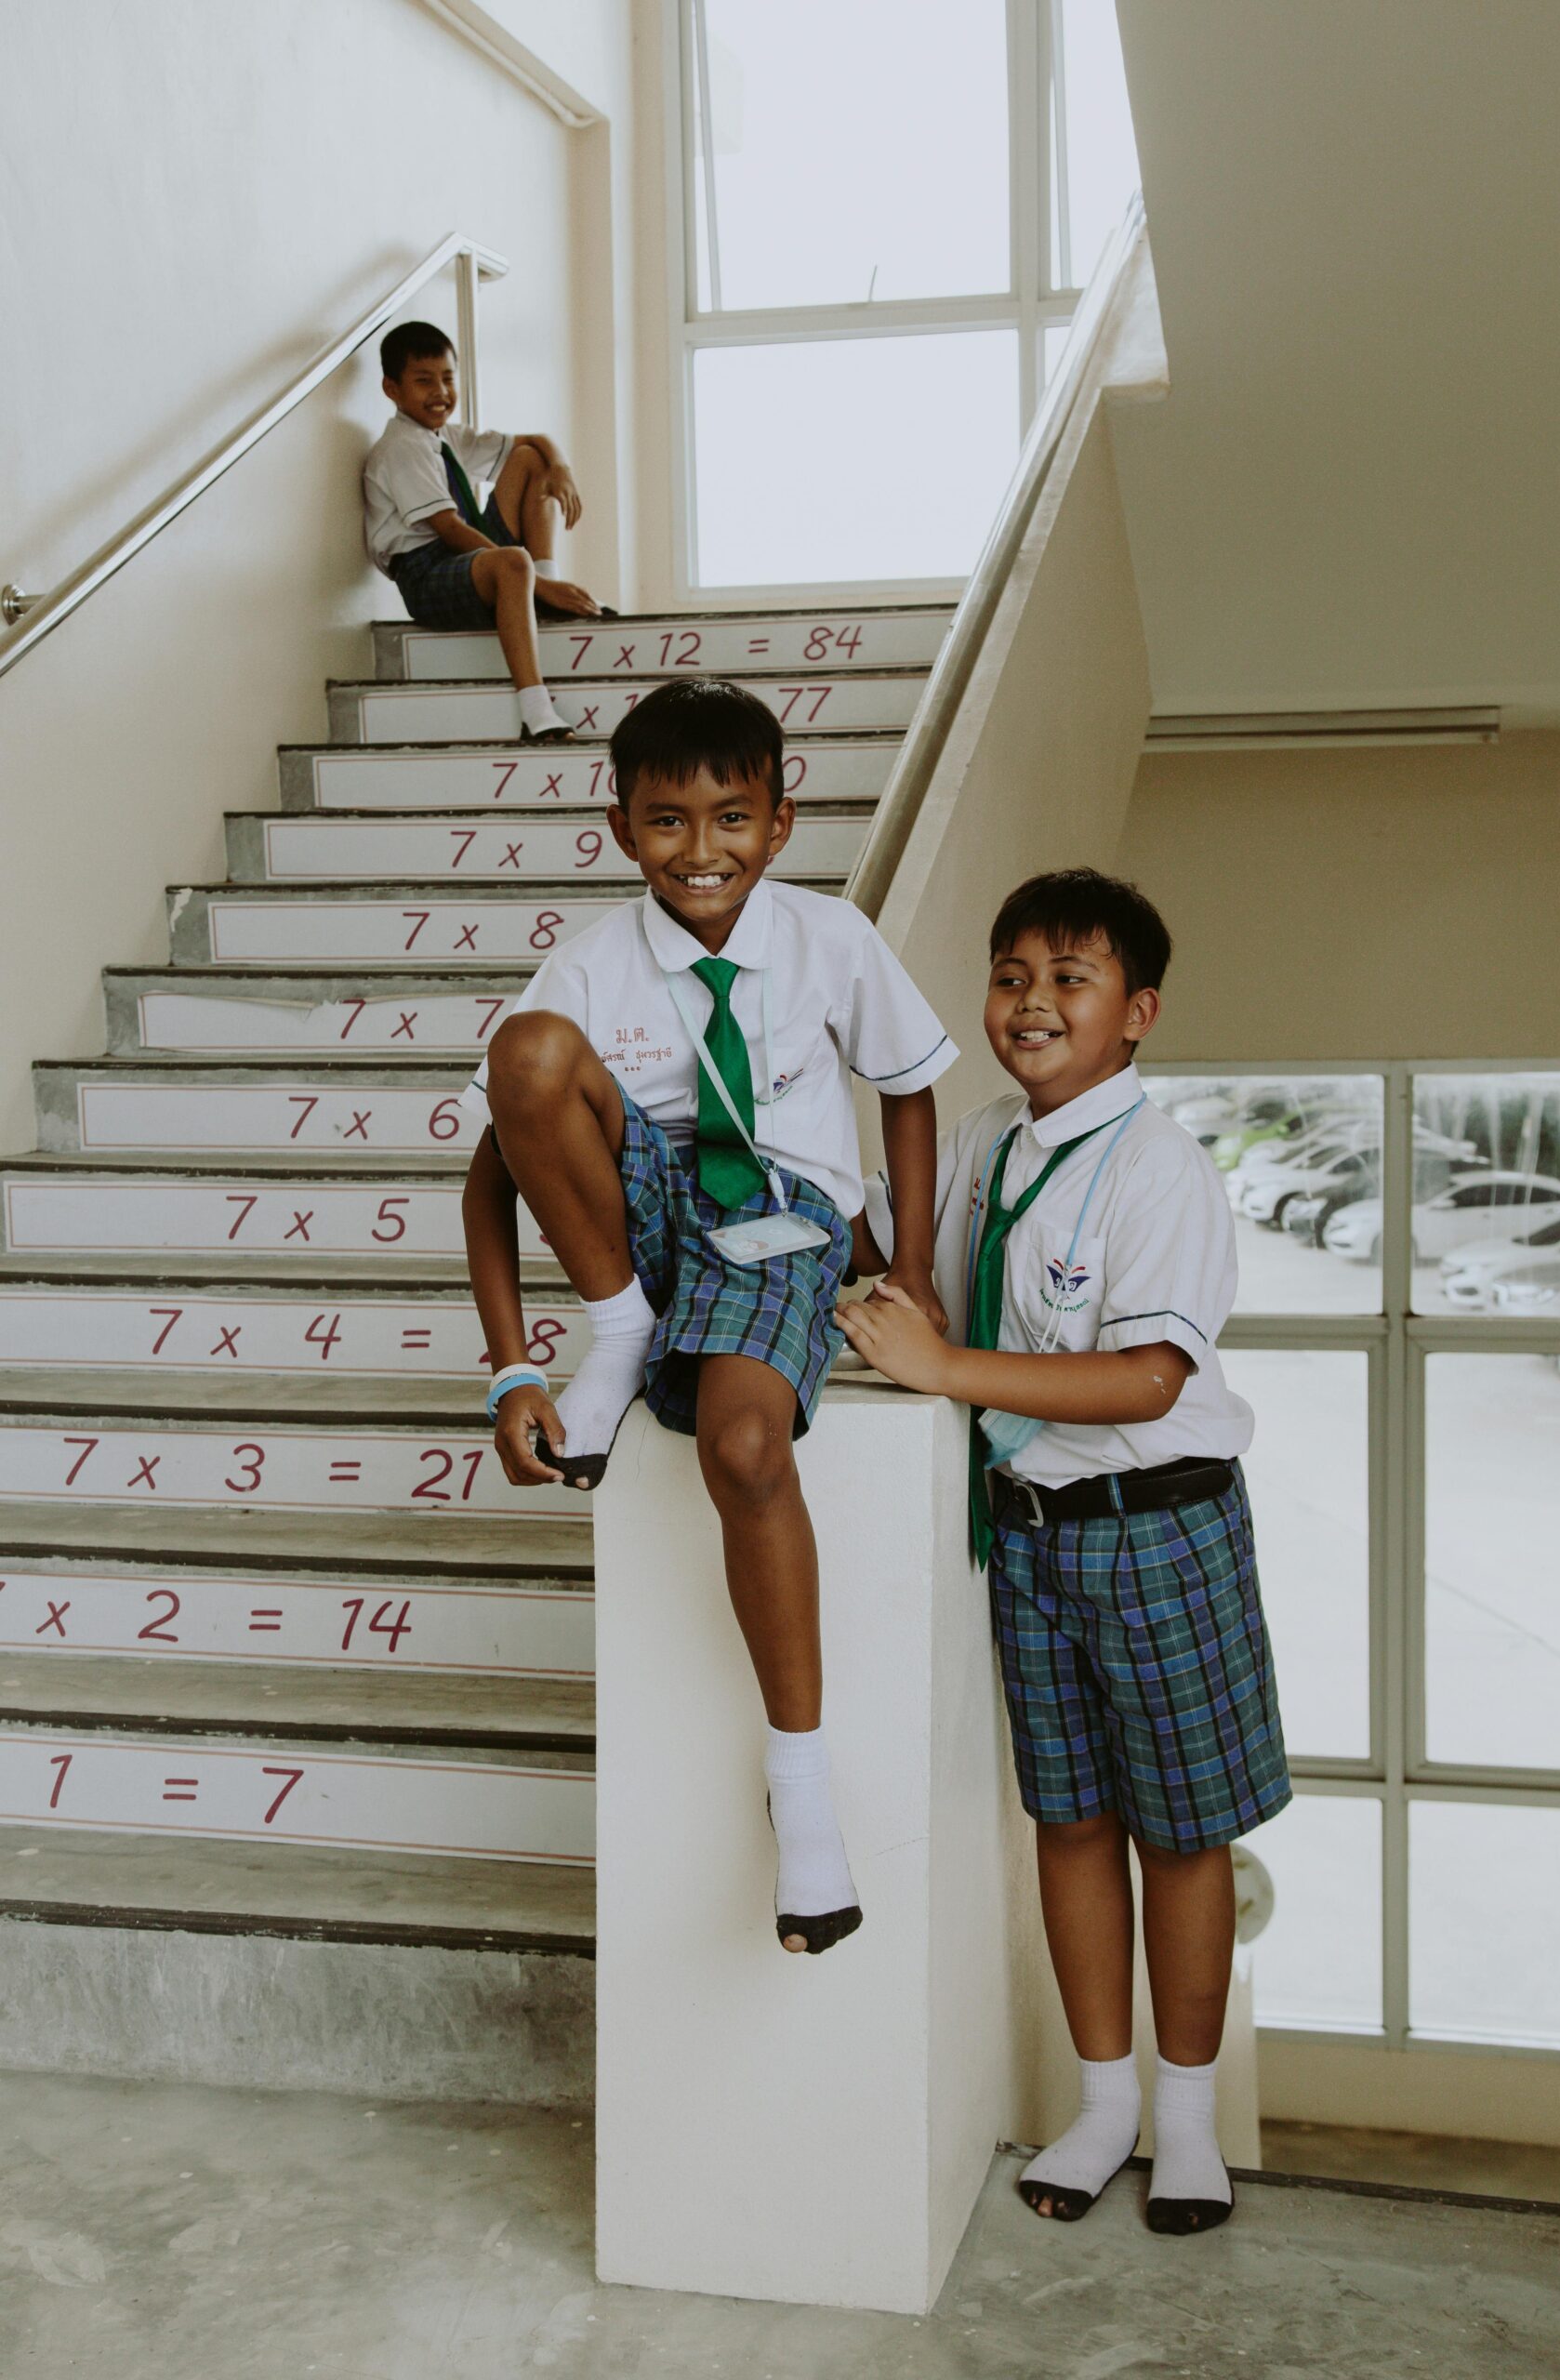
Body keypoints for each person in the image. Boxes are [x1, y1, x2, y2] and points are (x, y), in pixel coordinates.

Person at [459, 678, 958, 1954]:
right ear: (622, 829)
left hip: (780, 1219)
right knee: (528, 1054)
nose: (700, 849)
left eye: (729, 816)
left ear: (779, 823)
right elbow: (495, 1162)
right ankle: (619, 1328)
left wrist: (907, 1262)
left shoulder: (829, 939)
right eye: (666, 821)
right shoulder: (588, 957)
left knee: (743, 1448)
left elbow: (904, 1088)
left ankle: (803, 1795)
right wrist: (513, 1368)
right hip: (645, 1201)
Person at [836, 867, 1290, 2234]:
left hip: (1157, 1530)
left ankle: (1189, 2124)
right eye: (1011, 977)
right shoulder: (981, 1139)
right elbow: (899, 1246)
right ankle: (1100, 2108)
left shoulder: (1158, 1167)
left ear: (1135, 1012)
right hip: (1026, 1544)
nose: (1031, 1003)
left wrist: (943, 1367)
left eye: (1069, 980)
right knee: (1071, 1821)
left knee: (1180, 1834)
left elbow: (1148, 1378)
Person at [363, 319, 612, 745]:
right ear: (392, 389)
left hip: (463, 558)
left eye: (447, 378)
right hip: (426, 574)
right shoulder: (402, 447)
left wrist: (560, 467)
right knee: (514, 562)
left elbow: (534, 440)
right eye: (424, 381)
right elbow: (448, 529)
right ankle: (536, 711)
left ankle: (542, 582)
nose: (440, 392)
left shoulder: (446, 436)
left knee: (531, 459)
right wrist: (536, 585)